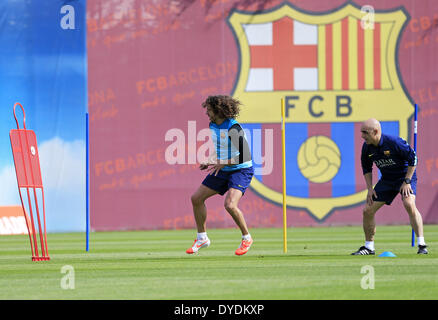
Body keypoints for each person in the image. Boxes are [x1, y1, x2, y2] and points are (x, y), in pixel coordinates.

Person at [186, 95, 255, 256]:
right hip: (223, 168)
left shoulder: (233, 128)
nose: (207, 113)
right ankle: (202, 238)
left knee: (230, 205)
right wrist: (210, 160)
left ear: (218, 111)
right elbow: (222, 148)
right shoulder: (213, 125)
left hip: (241, 170)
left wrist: (223, 162)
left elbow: (245, 156)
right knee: (196, 198)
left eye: (209, 110)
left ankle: (247, 237)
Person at [352, 118, 428, 255]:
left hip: (405, 177)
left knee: (409, 203)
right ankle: (369, 247)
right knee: (367, 210)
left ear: (375, 131)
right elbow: (366, 168)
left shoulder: (394, 142)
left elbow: (413, 159)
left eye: (365, 132)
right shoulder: (367, 147)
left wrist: (407, 181)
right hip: (387, 180)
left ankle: (422, 245)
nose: (362, 136)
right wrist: (370, 188)